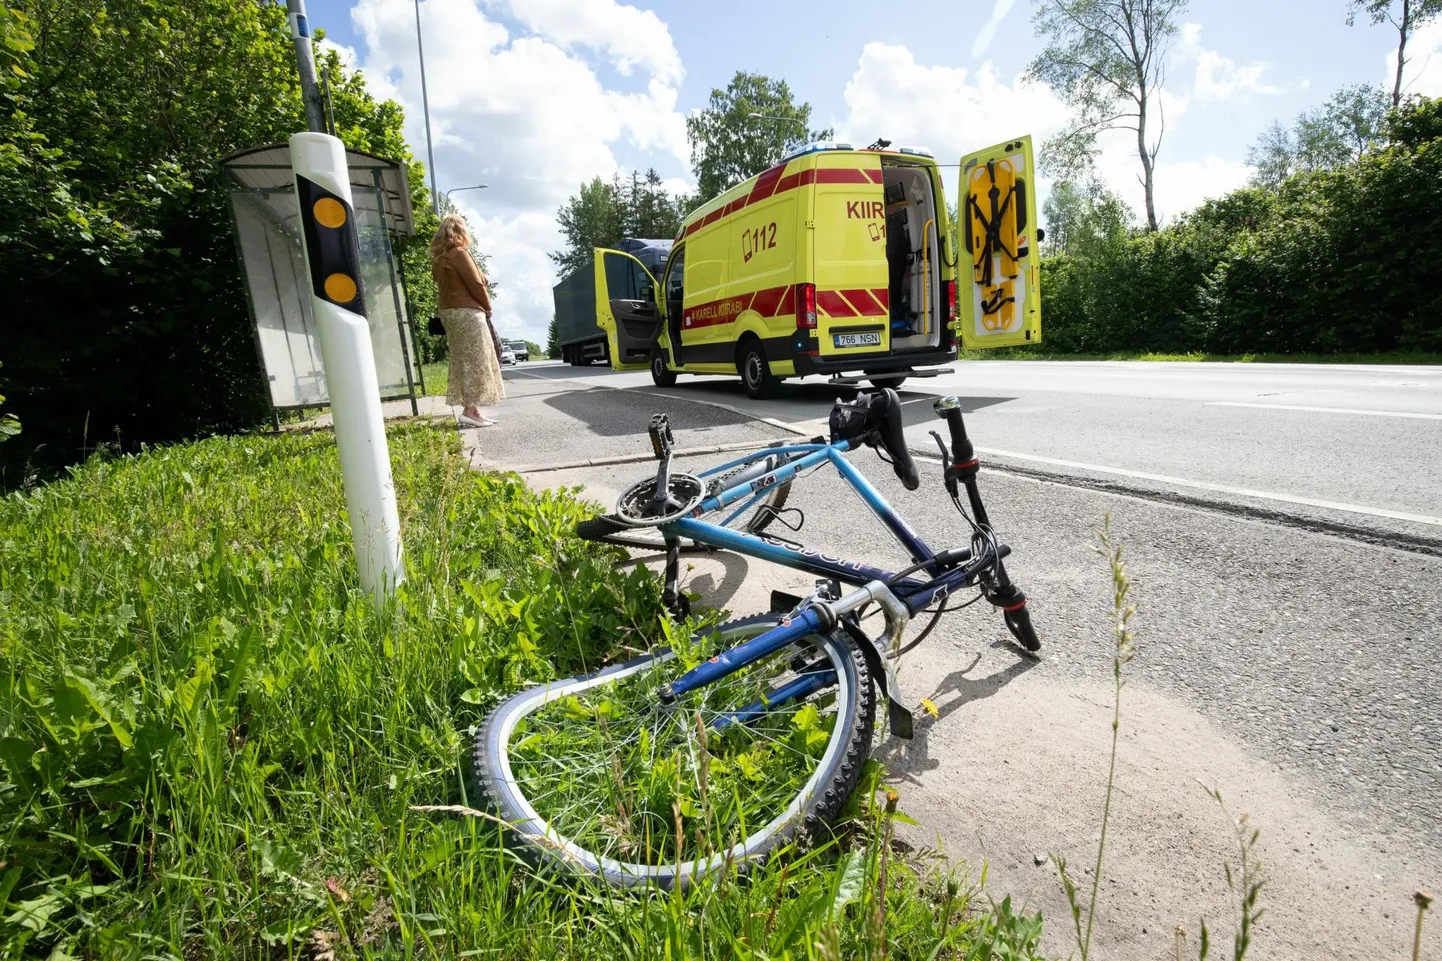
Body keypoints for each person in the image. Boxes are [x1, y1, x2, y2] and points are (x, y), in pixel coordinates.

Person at [430, 214, 504, 427]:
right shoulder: (459, 254)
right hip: (467, 312)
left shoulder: (438, 260)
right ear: (459, 232)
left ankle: (473, 410)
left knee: (463, 360)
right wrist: (488, 307)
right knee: (477, 360)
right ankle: (469, 412)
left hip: (449, 314)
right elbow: (476, 284)